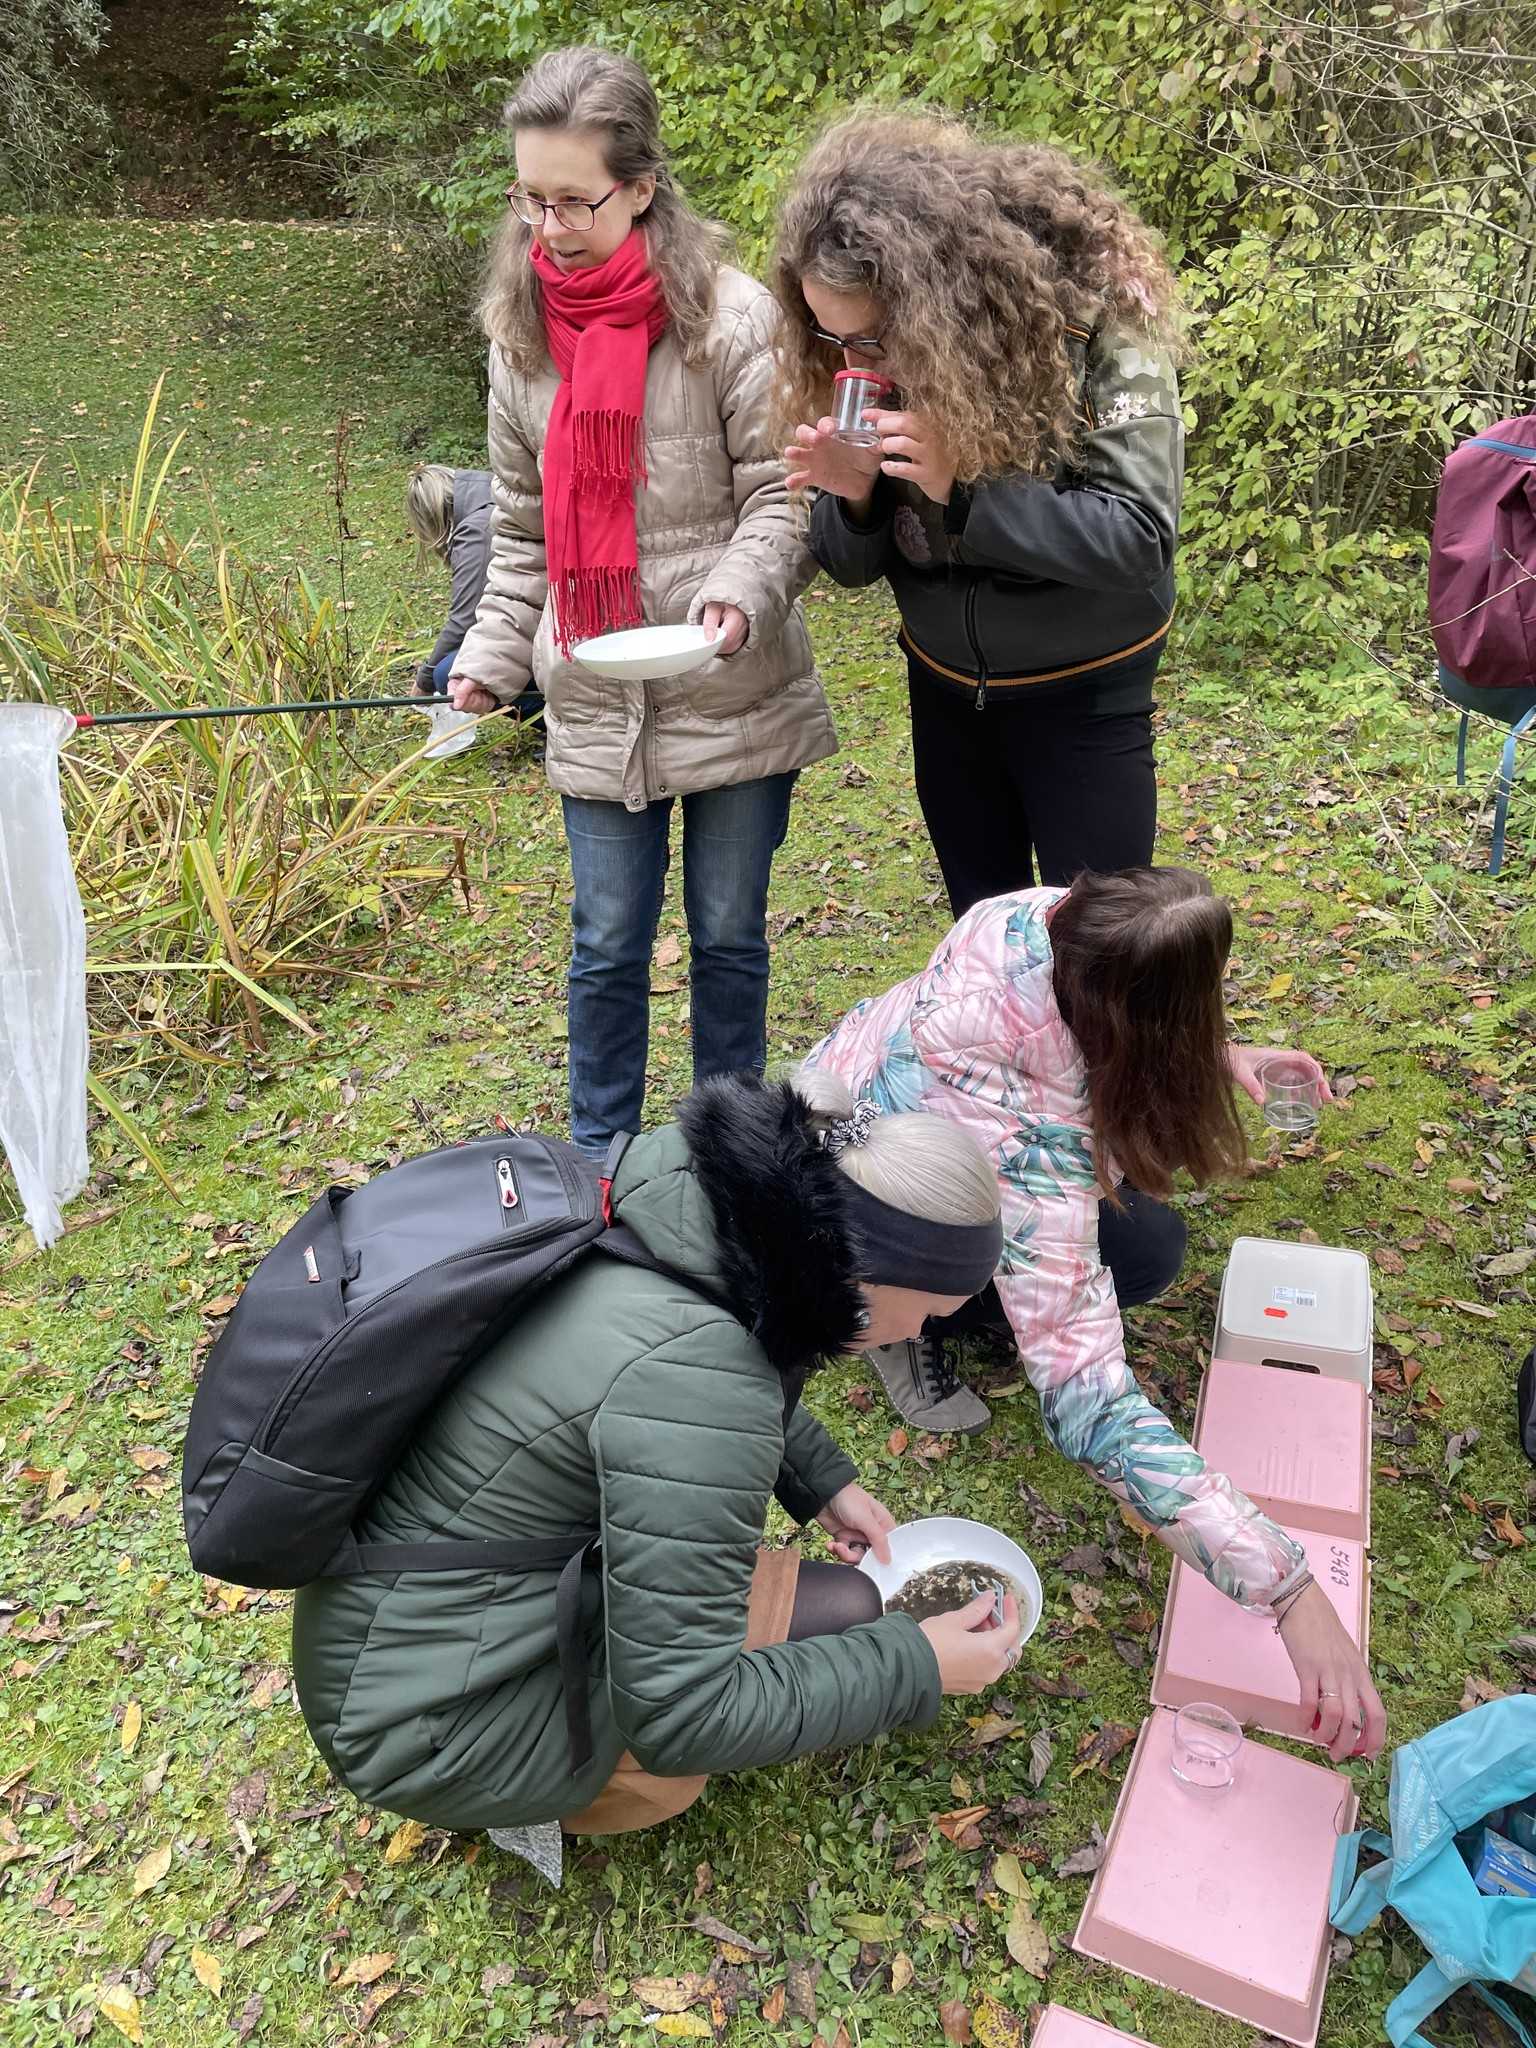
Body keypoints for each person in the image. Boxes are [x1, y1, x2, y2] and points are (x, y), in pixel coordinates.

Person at [291, 1070, 1016, 1842]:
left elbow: (677, 1360)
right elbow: (683, 1716)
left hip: (408, 1616)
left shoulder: (688, 1201)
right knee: (670, 1781)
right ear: (875, 1273)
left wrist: (822, 1481)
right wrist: (917, 1667)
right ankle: (534, 1800)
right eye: (932, 1313)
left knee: (848, 1606)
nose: (920, 1335)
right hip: (426, 1724)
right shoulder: (703, 1382)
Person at [805, 866, 1387, 1764]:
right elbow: (1088, 1400)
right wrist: (1290, 1592)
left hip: (870, 1106)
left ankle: (940, 1307)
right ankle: (907, 1326)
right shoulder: (1015, 1139)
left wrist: (1222, 1056)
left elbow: (1100, 1039)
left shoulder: (1035, 921)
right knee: (1092, 1268)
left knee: (1146, 1248)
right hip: (866, 1215)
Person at [446, 48, 833, 1159]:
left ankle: (731, 1154)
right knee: (606, 942)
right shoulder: (519, 339)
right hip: (597, 690)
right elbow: (521, 534)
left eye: (575, 199)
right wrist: (490, 656)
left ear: (643, 187)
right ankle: (598, 1165)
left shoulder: (733, 317)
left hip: (730, 683)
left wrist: (736, 594)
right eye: (530, 198)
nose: (549, 226)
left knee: (727, 937)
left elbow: (784, 497)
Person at [773, 112, 1184, 915]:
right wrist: (851, 495)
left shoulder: (1095, 321)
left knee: (1101, 951)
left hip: (1086, 689)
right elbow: (857, 567)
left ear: (937, 296)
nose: (855, 363)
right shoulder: (857, 354)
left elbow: (1138, 539)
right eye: (831, 335)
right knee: (984, 940)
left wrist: (967, 488)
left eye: (875, 337)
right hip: (947, 690)